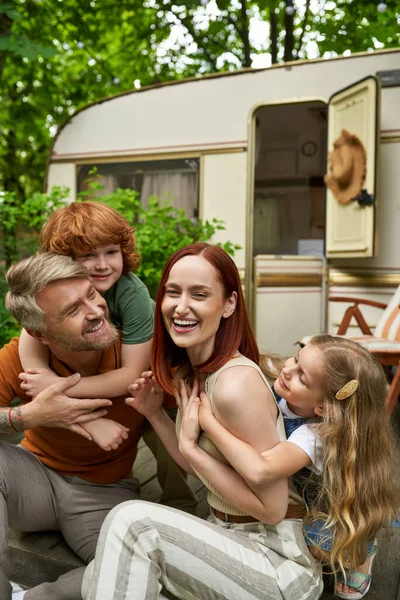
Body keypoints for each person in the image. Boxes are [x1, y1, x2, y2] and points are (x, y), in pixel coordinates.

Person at [82, 243, 324, 600]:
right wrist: (154, 415)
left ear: (229, 304)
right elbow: (205, 469)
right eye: (172, 292)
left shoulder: (234, 384)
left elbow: (272, 509)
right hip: (229, 538)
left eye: (199, 294)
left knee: (132, 523)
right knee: (102, 572)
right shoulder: (194, 373)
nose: (181, 307)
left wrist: (190, 447)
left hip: (274, 564)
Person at [17, 200, 198, 510]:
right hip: (106, 370)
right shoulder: (54, 292)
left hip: (157, 369)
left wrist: (57, 386)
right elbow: (31, 340)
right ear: (62, 260)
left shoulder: (130, 293)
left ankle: (180, 501)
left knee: (162, 434)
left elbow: (131, 375)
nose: (102, 265)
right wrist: (41, 378)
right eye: (88, 255)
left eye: (111, 252)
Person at [194, 336, 399, 599]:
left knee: (319, 544)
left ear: (323, 407)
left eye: (303, 377)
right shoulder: (278, 390)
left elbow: (262, 469)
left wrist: (209, 422)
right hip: (294, 497)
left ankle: (360, 552)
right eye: (295, 359)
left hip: (327, 507)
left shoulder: (315, 435)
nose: (287, 370)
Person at [0, 253, 150, 600]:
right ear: (39, 333)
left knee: (138, 567)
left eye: (92, 294)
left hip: (105, 492)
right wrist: (28, 416)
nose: (96, 311)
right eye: (72, 310)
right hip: (34, 479)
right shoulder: (18, 358)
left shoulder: (135, 354)